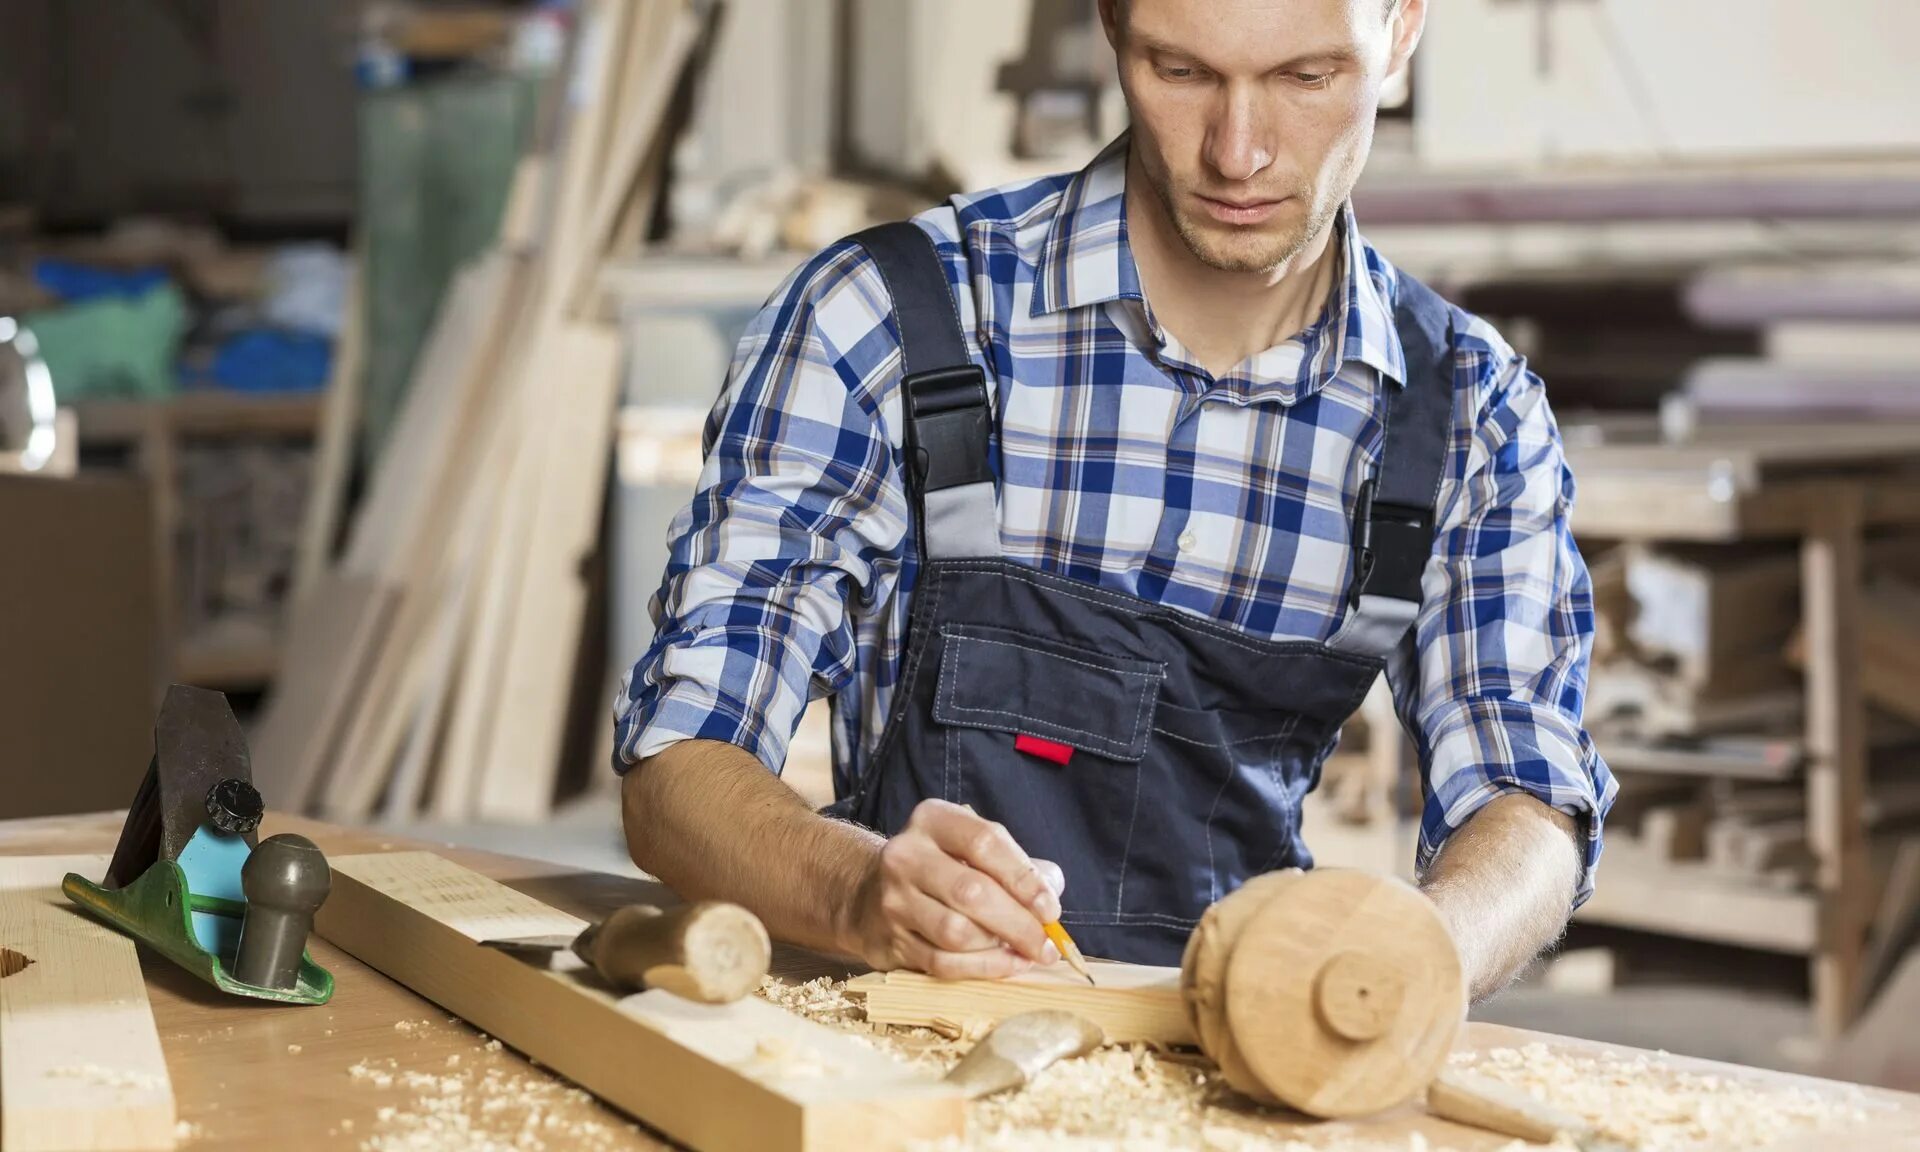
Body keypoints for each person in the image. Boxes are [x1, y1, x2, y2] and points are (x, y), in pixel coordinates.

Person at [614, 0, 1616, 1002]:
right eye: (1181, 72)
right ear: (1111, 25)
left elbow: (1527, 793)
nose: (1238, 153)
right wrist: (859, 893)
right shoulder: (885, 317)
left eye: (1306, 79)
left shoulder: (1464, 413)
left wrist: (1411, 968)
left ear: (1400, 31)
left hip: (1230, 1049)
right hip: (904, 1036)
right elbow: (679, 765)